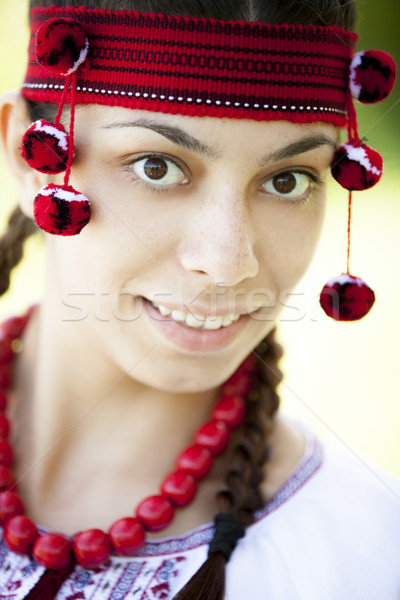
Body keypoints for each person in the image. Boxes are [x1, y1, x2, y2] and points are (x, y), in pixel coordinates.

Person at [0, 1, 398, 599]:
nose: (229, 259)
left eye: (286, 180)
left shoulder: (364, 557)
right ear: (28, 158)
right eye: (157, 166)